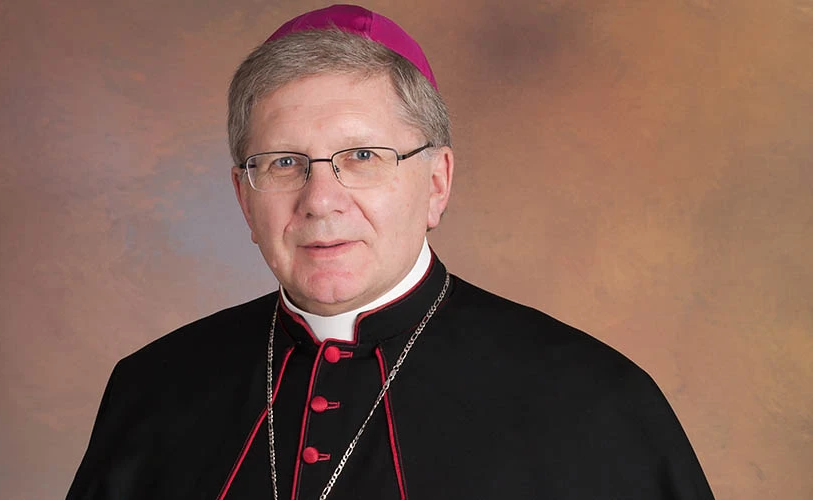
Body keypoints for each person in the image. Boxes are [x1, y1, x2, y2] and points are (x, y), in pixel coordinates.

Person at [67, 4, 715, 499]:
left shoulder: (592, 403)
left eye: (362, 156)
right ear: (243, 197)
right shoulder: (152, 390)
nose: (321, 200)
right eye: (284, 162)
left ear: (436, 183)